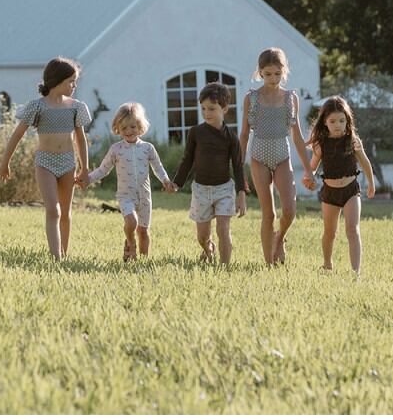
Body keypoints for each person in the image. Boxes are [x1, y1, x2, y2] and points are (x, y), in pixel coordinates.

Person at [0, 57, 90, 260]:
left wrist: (85, 168)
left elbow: (80, 139)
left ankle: (64, 253)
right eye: (71, 81)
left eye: (75, 81)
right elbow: (17, 135)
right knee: (53, 210)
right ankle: (56, 257)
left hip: (68, 163)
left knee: (65, 212)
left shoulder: (76, 107)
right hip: (45, 163)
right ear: (57, 80)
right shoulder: (37, 107)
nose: (74, 86)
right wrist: (5, 162)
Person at [239, 47, 314, 266]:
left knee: (289, 210)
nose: (273, 79)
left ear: (284, 71)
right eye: (268, 74)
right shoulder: (251, 98)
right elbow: (244, 135)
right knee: (269, 214)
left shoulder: (291, 98)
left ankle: (279, 239)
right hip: (258, 158)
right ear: (260, 72)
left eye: (277, 74)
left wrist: (308, 170)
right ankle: (268, 264)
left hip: (282, 157)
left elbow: (297, 136)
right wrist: (239, 169)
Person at [83, 102, 176, 261]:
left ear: (140, 126)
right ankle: (131, 243)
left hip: (144, 196)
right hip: (126, 196)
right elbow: (103, 169)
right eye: (124, 128)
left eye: (132, 127)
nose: (128, 131)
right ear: (117, 128)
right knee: (131, 221)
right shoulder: (116, 149)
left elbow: (158, 168)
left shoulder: (148, 148)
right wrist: (88, 179)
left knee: (143, 231)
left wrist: (166, 181)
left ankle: (143, 261)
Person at [172, 82, 247, 264]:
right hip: (201, 190)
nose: (207, 113)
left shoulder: (231, 137)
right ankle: (208, 249)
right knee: (202, 236)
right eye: (203, 109)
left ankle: (225, 268)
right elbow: (187, 160)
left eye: (212, 109)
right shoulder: (195, 133)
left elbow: (238, 166)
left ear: (224, 109)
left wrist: (241, 194)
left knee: (223, 229)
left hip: (224, 189)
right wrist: (177, 183)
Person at [306, 95, 375, 277]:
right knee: (330, 233)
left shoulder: (353, 140)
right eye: (333, 121)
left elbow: (365, 163)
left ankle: (355, 273)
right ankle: (327, 264)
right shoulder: (321, 144)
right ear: (325, 122)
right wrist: (308, 178)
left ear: (347, 121)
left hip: (351, 190)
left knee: (352, 230)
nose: (337, 125)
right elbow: (312, 168)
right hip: (330, 193)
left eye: (342, 121)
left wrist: (371, 184)